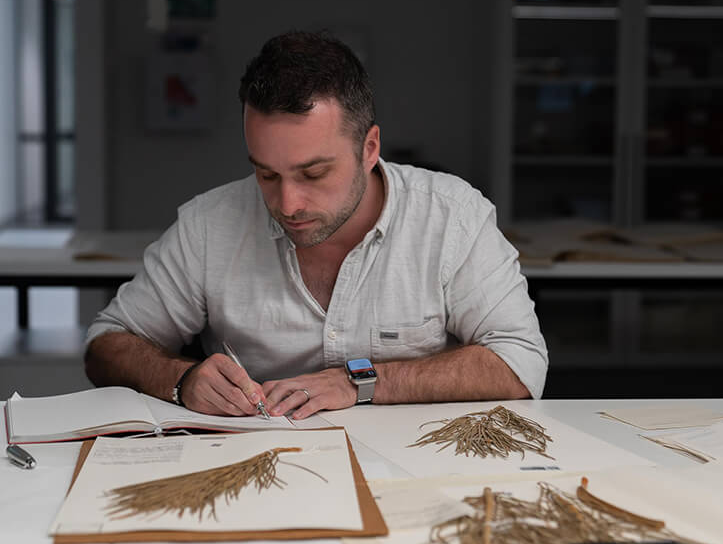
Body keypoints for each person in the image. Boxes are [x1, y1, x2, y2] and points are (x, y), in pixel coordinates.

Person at [85, 30, 547, 420]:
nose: (288, 203)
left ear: (369, 149)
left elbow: (521, 363)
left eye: (313, 173)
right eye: (266, 173)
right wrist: (180, 379)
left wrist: (360, 383)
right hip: (260, 467)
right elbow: (106, 344)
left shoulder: (452, 216)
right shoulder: (209, 224)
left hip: (418, 469)